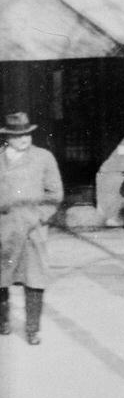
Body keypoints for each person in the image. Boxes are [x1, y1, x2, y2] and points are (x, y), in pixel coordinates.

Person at [0, 113, 63, 344]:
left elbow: (54, 193)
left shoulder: (43, 157)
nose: (24, 139)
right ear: (7, 137)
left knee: (34, 280)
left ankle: (32, 329)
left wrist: (40, 217)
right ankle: (3, 321)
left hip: (32, 230)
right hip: (3, 229)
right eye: (18, 135)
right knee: (1, 279)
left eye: (26, 134)